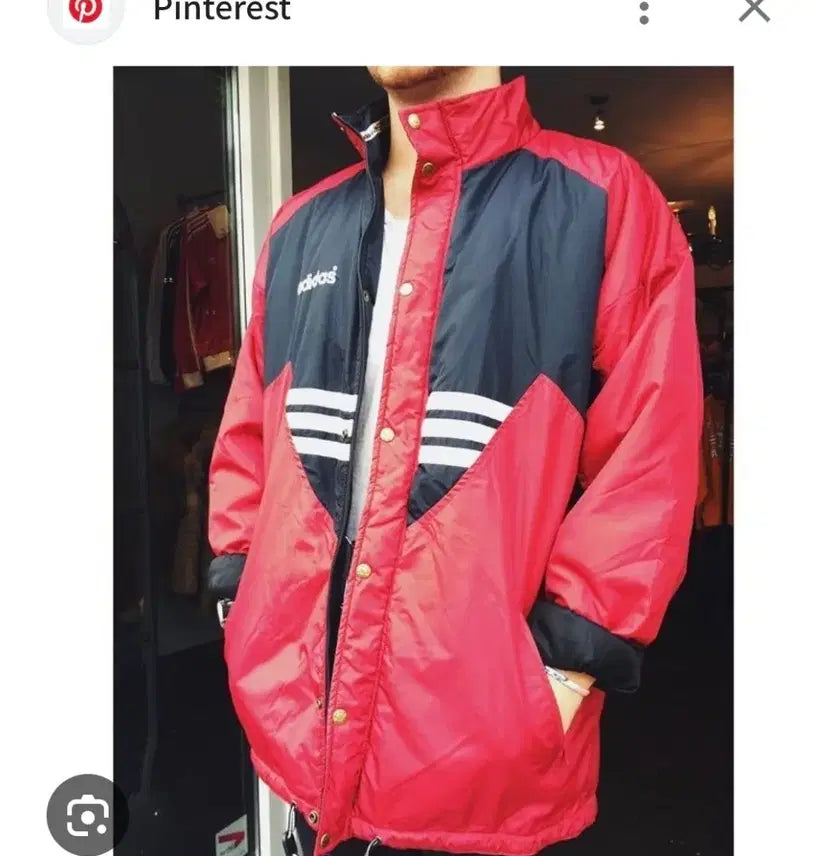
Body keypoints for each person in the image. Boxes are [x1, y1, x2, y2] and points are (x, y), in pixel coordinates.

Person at [207, 66, 702, 856]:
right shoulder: (302, 224)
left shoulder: (599, 198)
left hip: (480, 766)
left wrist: (563, 676)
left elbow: (649, 458)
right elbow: (249, 438)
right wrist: (243, 608)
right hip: (301, 736)